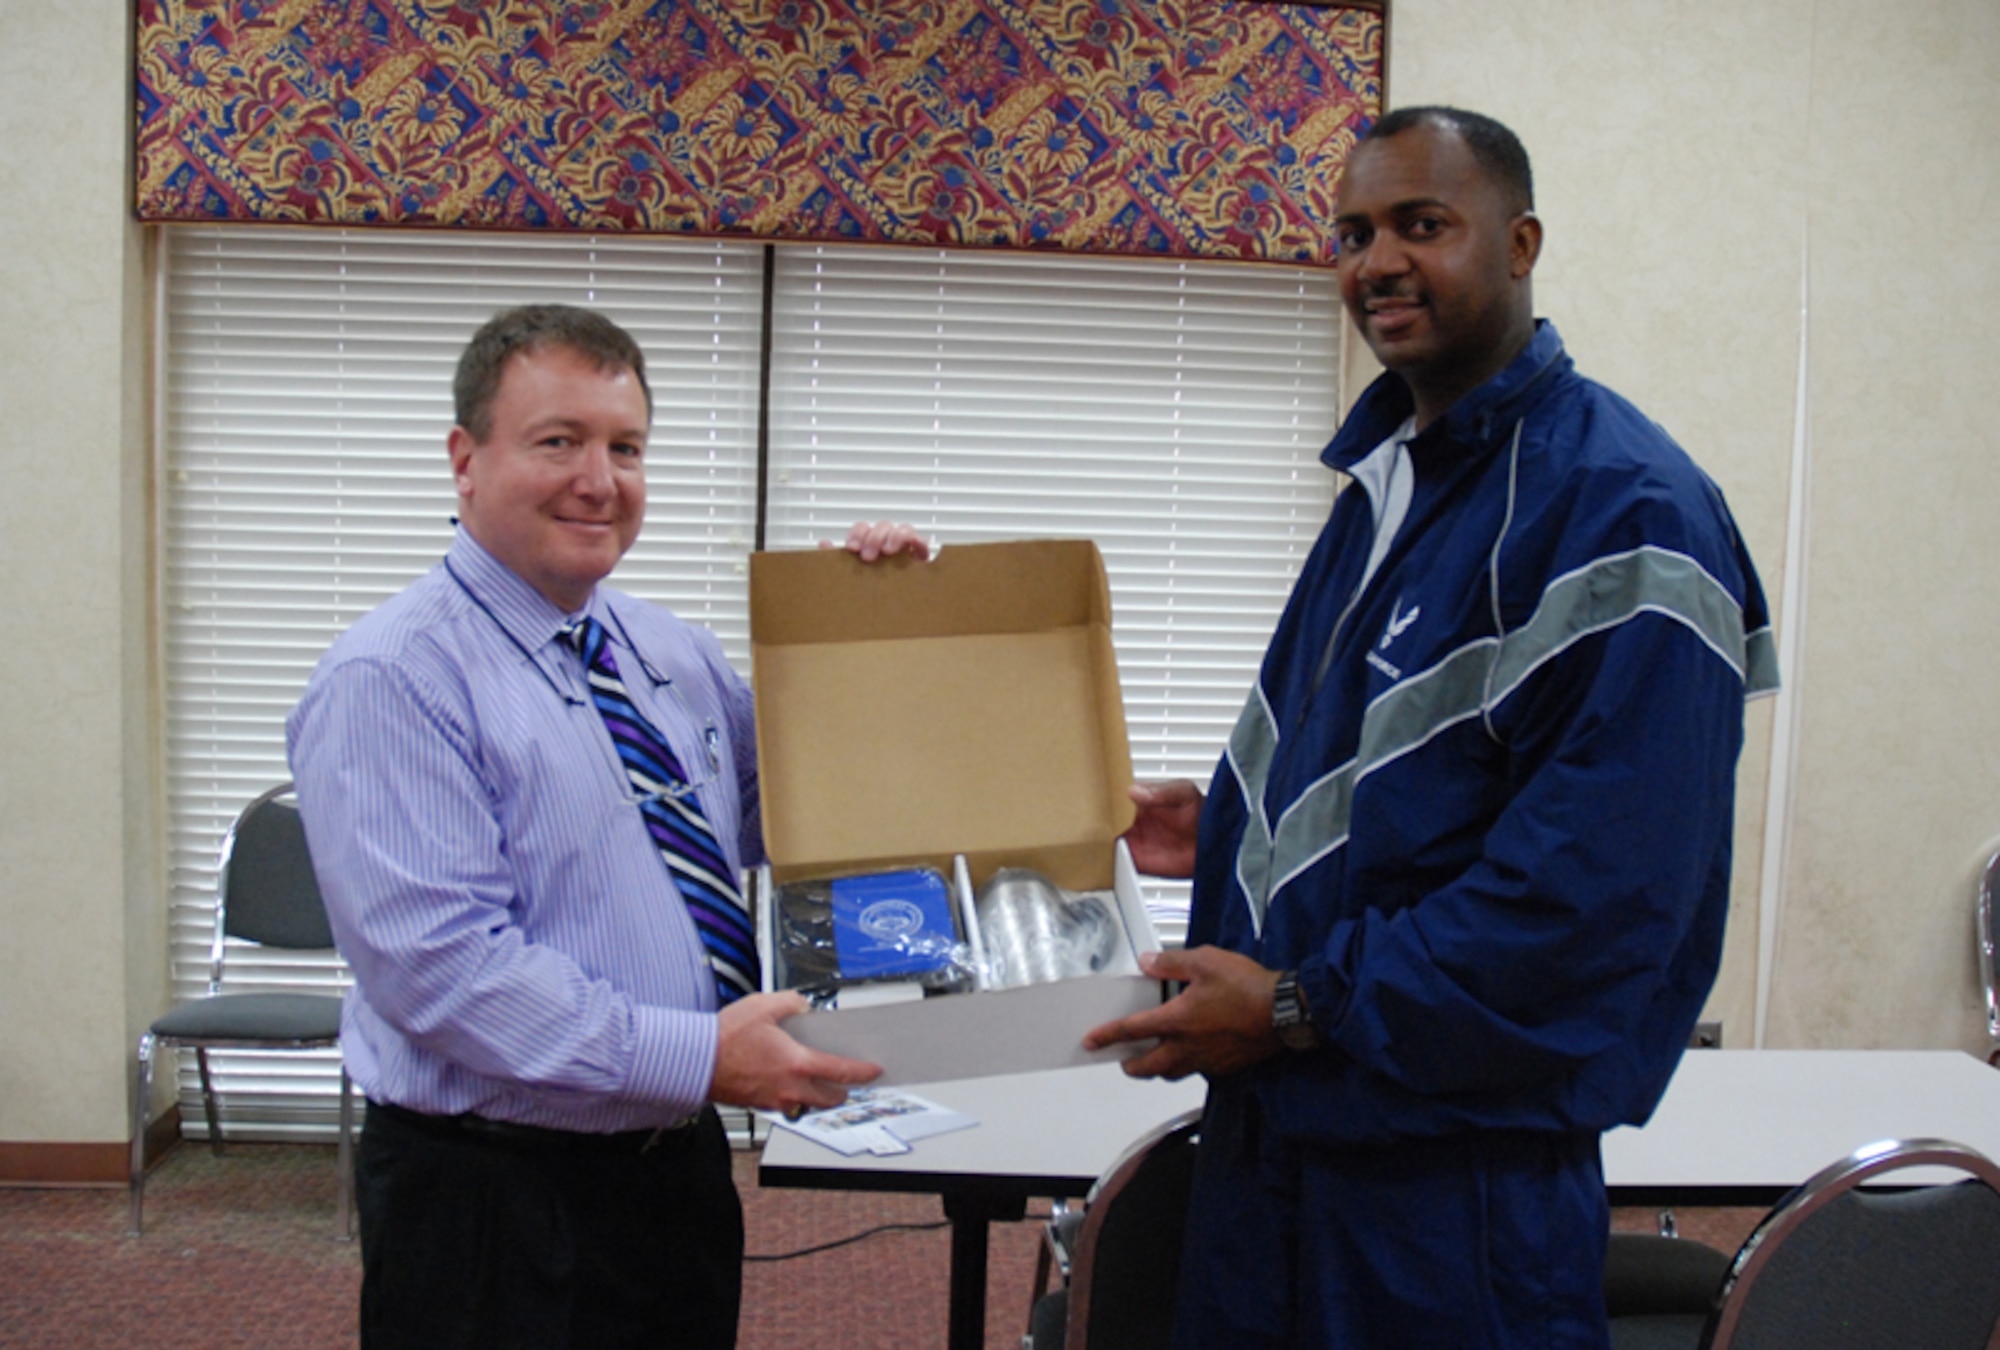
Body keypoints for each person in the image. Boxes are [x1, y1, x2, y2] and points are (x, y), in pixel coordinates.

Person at [1084, 107, 1778, 1348]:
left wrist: (1295, 1002)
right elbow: (1413, 775)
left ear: (1518, 245)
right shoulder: (1389, 482)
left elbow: (1591, 905)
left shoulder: (1623, 509)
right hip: (1276, 1146)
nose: (1376, 261)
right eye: (1352, 232)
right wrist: (1237, 829)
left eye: (1421, 224)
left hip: (1447, 1191)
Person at [286, 304, 926, 1348]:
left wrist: (870, 633)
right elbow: (444, 971)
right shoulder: (393, 678)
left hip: (671, 1171)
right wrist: (695, 1057)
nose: (599, 479)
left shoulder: (667, 650)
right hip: (493, 1200)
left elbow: (796, 820)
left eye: (625, 447)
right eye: (557, 442)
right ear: (464, 459)